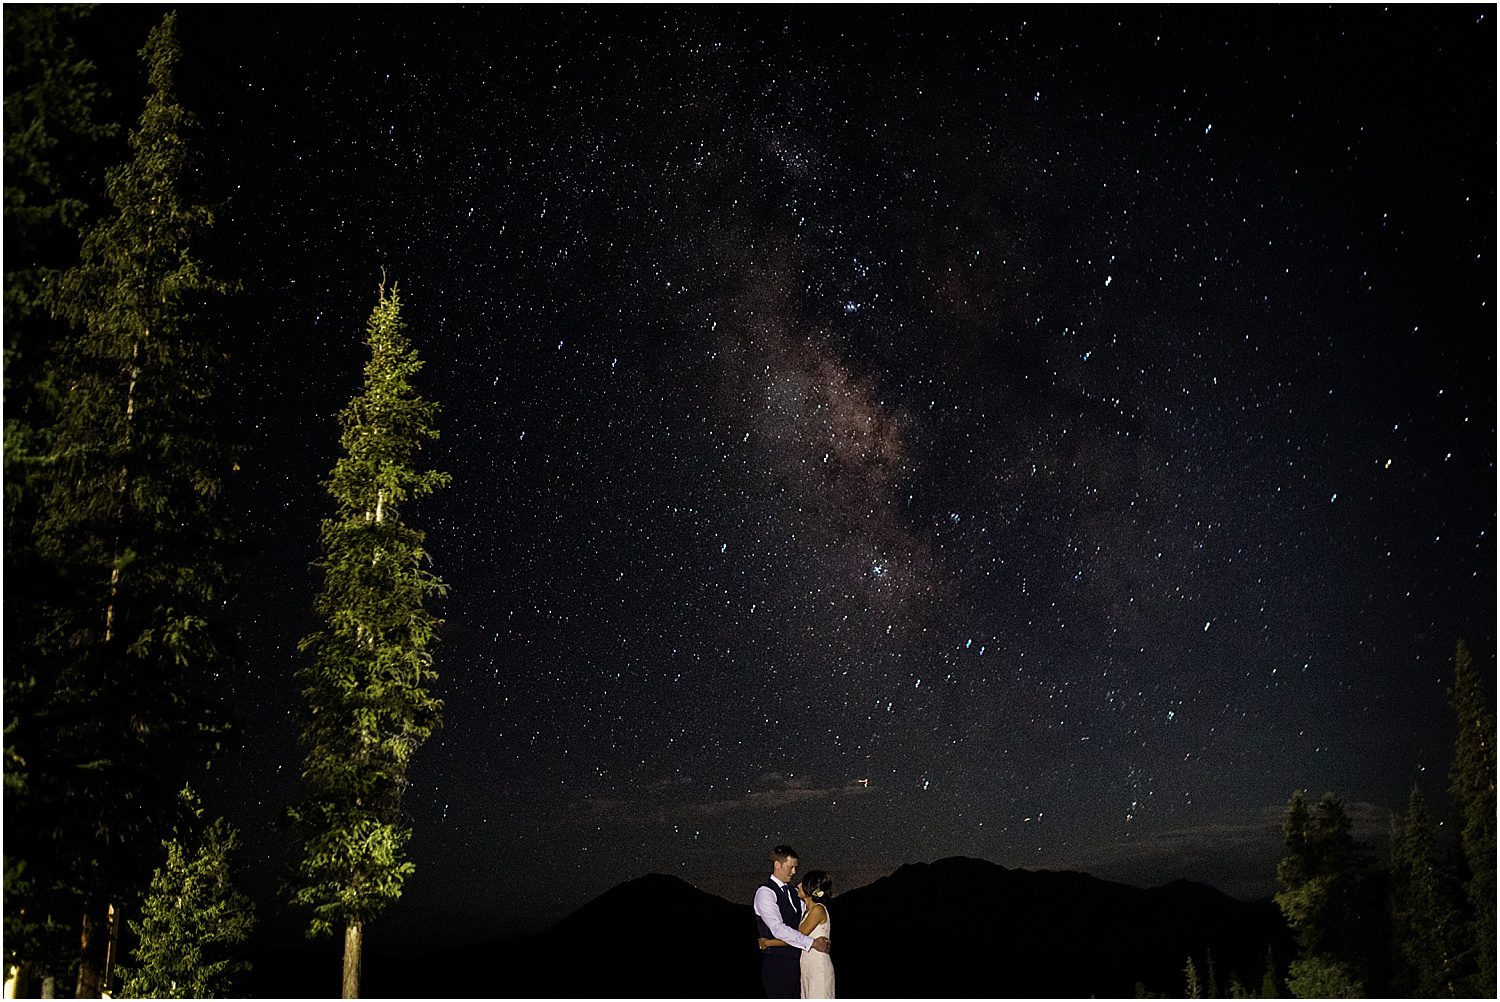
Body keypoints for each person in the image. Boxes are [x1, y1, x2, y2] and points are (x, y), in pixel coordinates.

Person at [752, 846, 830, 998]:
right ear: (777, 865)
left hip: (800, 964)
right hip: (778, 964)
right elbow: (778, 928)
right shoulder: (765, 892)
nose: (794, 872)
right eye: (790, 867)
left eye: (795, 867)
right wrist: (812, 943)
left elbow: (808, 918)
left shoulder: (795, 893)